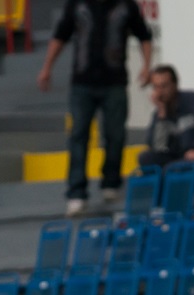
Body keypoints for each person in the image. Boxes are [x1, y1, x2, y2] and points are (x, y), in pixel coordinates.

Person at [37, 0, 152, 217]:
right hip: (83, 82)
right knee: (79, 135)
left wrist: (147, 66)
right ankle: (76, 193)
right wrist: (47, 68)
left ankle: (111, 182)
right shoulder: (77, 4)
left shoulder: (126, 5)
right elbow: (61, 35)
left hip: (114, 81)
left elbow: (144, 36)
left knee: (115, 134)